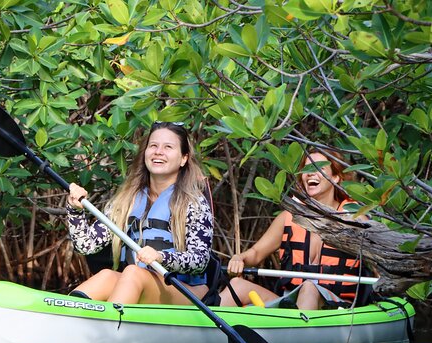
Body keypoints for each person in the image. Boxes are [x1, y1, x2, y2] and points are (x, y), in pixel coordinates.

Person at [65, 121, 213, 305]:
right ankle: (69, 315)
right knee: (106, 276)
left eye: (168, 147)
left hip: (185, 292)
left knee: (133, 272)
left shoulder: (194, 202)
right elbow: (86, 246)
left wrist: (161, 257)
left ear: (183, 158)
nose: (158, 151)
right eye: (153, 146)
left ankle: (107, 325)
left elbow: (200, 260)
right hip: (138, 282)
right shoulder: (127, 199)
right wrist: (75, 211)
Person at [220, 150, 371, 310]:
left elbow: (380, 263)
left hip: (336, 307)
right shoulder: (289, 217)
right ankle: (200, 328)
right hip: (291, 304)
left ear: (335, 177)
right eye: (306, 169)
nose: (310, 174)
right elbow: (256, 253)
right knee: (237, 285)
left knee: (309, 287)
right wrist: (239, 258)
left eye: (318, 168)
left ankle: (295, 331)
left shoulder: (354, 220)